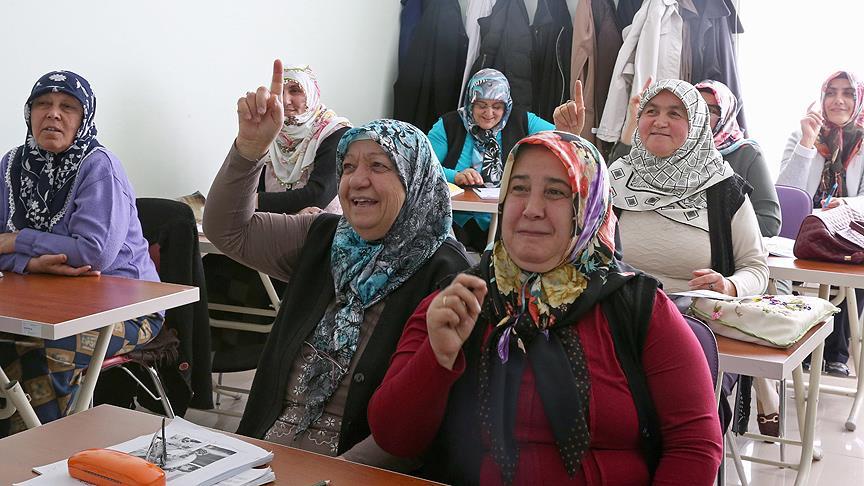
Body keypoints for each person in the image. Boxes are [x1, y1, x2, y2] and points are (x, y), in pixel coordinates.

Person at [368, 131, 722, 485]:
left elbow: (695, 446)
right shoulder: (461, 300)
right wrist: (437, 358)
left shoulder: (638, 308)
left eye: (555, 192)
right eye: (519, 188)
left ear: (588, 205)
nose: (531, 209)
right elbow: (394, 439)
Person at [202, 60, 471, 468]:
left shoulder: (446, 273)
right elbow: (227, 230)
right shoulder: (326, 237)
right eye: (347, 167)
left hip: (354, 467)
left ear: (415, 179)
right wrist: (249, 150)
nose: (355, 180)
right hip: (262, 456)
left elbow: (421, 425)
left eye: (378, 166)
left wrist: (332, 473)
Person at [0, 70, 163, 435]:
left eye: (67, 107)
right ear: (29, 114)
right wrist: (30, 261)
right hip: (42, 301)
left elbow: (95, 253)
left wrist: (17, 241)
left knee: (46, 356)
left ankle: (41, 459)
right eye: (43, 103)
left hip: (127, 306)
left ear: (84, 116)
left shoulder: (98, 165)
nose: (53, 114)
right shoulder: (11, 164)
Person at [609, 79, 768, 435]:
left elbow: (756, 268)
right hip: (618, 315)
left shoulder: (724, 190)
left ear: (697, 124)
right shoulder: (614, 180)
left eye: (674, 113)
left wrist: (727, 285)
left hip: (695, 325)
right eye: (651, 111)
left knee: (666, 405)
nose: (660, 121)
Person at [204, 64, 350, 333]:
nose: (286, 100)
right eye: (281, 92)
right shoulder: (272, 133)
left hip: (317, 235)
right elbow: (250, 191)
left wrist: (256, 203)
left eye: (295, 91)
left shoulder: (334, 133)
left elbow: (318, 194)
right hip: (273, 228)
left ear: (312, 95)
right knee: (213, 267)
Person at [427, 68, 584, 251]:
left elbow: (563, 145)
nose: (489, 113)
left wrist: (569, 134)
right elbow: (425, 165)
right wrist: (456, 176)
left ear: (506, 106)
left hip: (507, 222)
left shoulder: (523, 121)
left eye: (497, 106)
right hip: (454, 221)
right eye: (481, 105)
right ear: (470, 103)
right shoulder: (448, 125)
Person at [777, 70, 864, 377]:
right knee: (780, 272)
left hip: (849, 233)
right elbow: (786, 194)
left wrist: (847, 205)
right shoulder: (802, 133)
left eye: (847, 93)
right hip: (805, 232)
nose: (838, 100)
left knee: (854, 275)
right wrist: (806, 142)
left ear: (858, 99)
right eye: (831, 92)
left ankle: (837, 349)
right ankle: (800, 340)